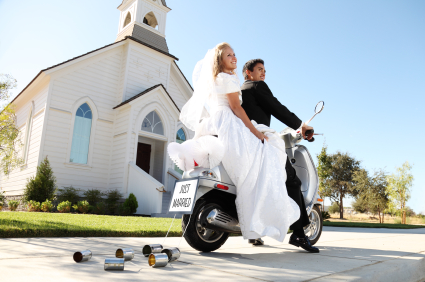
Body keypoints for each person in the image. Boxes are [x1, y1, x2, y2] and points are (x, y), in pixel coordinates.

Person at [169, 42, 300, 242]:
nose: (234, 57)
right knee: (264, 156)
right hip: (229, 123)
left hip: (214, 122)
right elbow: (237, 109)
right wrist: (255, 131)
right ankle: (258, 220)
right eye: (229, 55)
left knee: (254, 162)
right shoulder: (227, 78)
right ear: (220, 61)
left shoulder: (215, 79)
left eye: (234, 54)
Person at [241, 58, 319, 253]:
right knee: (292, 181)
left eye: (265, 70)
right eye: (259, 70)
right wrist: (301, 126)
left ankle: (254, 233)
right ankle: (299, 234)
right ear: (248, 73)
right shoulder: (256, 86)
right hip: (262, 142)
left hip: (245, 143)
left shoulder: (241, 91)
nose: (263, 73)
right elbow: (277, 107)